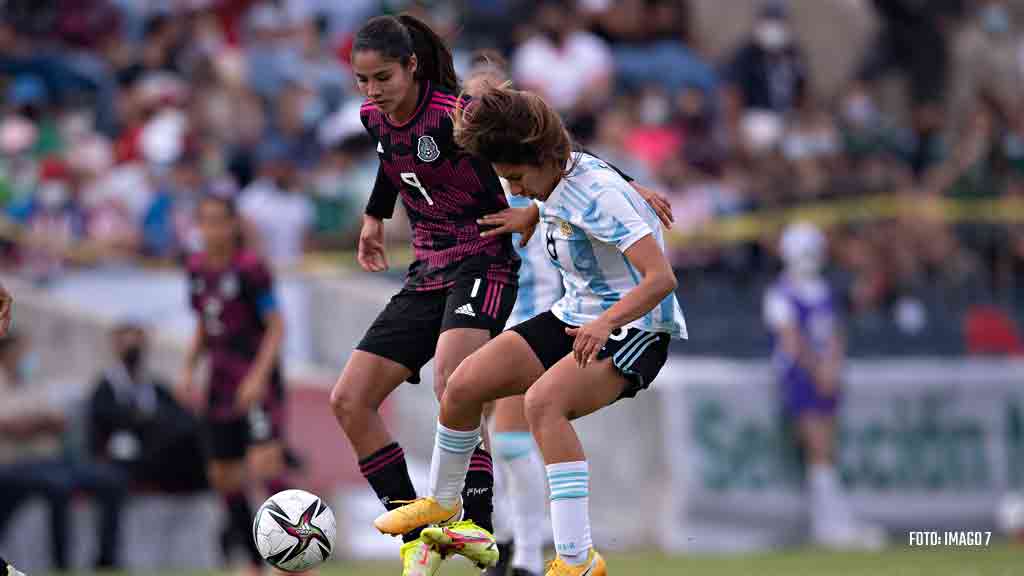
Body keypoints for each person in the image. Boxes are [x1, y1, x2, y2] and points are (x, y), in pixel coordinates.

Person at [335, 18, 674, 574]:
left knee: (524, 402)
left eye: (382, 78)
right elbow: (394, 157)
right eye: (361, 80)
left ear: (412, 68)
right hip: (501, 290)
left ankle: (551, 555)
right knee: (447, 389)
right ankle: (439, 517)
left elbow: (652, 267)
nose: (371, 91)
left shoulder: (571, 177)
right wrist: (376, 214)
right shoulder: (384, 121)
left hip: (589, 309)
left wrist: (629, 184)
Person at [177, 194, 289, 574]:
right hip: (220, 380)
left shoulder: (251, 268)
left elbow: (276, 326)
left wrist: (258, 376)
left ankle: (294, 557)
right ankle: (253, 561)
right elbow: (203, 324)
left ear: (233, 225)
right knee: (223, 474)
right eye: (205, 221)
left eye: (219, 221)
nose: (212, 230)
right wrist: (189, 370)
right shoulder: (195, 268)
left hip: (254, 376)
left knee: (265, 462)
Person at [763, 222, 885, 550]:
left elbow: (834, 333)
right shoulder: (780, 293)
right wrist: (818, 368)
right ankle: (830, 526)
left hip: (826, 375)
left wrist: (831, 365)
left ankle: (833, 522)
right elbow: (791, 339)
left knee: (827, 451)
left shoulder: (824, 291)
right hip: (800, 376)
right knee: (818, 450)